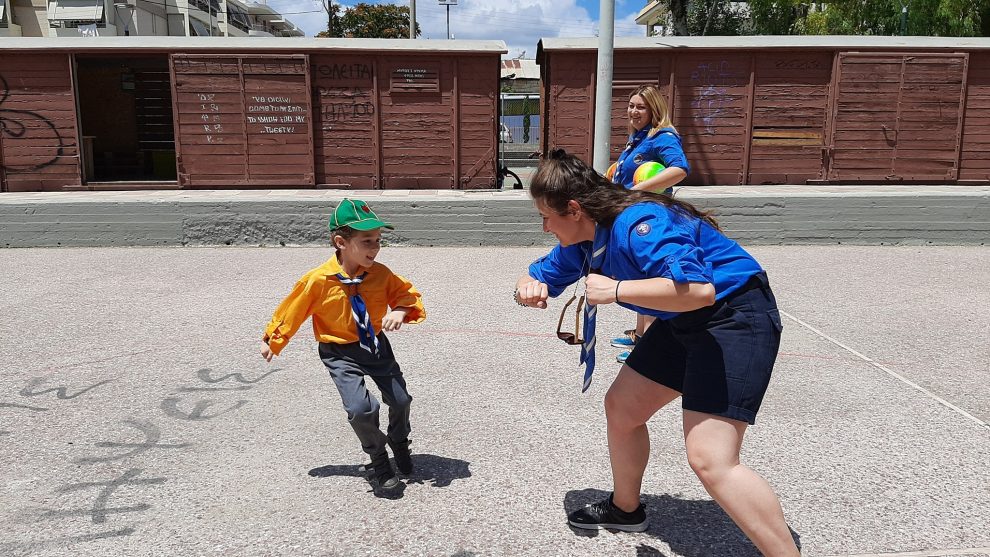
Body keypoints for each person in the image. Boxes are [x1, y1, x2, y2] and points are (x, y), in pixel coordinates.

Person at [514, 151, 798, 556]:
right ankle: (625, 510)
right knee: (622, 408)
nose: (544, 227)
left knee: (710, 459)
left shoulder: (641, 223)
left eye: (546, 216)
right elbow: (538, 274)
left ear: (574, 209)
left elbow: (699, 291)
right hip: (683, 321)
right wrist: (527, 288)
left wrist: (615, 290)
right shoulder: (585, 238)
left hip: (733, 316)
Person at [260, 198, 426, 492]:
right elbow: (293, 310)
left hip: (375, 346)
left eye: (378, 240)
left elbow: (406, 295)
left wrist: (399, 311)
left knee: (401, 400)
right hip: (339, 352)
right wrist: (275, 340)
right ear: (340, 242)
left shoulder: (382, 274)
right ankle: (378, 459)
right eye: (366, 241)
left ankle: (399, 442)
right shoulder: (318, 281)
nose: (374, 247)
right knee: (361, 408)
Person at [608, 84, 690, 364]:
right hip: (634, 212)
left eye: (640, 107)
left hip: (651, 217)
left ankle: (649, 351)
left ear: (654, 109)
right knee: (641, 277)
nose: (633, 111)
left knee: (651, 280)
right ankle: (640, 336)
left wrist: (637, 190)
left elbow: (679, 169)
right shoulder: (639, 138)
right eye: (631, 106)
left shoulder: (662, 137)